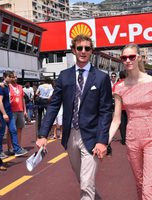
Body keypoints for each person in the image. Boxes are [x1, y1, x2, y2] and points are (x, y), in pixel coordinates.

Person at [36, 34, 113, 200]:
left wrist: (102, 140)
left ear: (91, 51)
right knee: (83, 179)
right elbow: (54, 106)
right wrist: (43, 135)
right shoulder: (64, 76)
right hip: (70, 135)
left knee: (86, 183)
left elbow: (106, 111)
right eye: (80, 48)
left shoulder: (101, 78)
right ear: (73, 50)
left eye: (87, 48)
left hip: (92, 136)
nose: (83, 51)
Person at [109, 43, 152, 200]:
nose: (128, 60)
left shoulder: (150, 81)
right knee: (140, 184)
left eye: (131, 57)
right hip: (132, 139)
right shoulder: (119, 88)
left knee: (148, 187)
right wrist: (104, 141)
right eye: (124, 57)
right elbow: (116, 119)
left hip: (151, 138)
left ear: (138, 57)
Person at [0, 71, 28, 159]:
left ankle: (17, 149)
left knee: (13, 130)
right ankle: (0, 151)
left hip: (10, 112)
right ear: (5, 77)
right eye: (10, 77)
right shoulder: (1, 87)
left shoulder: (7, 87)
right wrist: (4, 113)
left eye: (13, 77)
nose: (12, 78)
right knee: (1, 133)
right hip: (3, 113)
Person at [8, 72, 27, 148]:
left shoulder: (20, 86)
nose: (15, 78)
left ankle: (19, 146)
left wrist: (25, 110)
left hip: (20, 110)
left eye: (16, 77)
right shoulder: (8, 87)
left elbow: (22, 99)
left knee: (19, 129)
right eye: (13, 77)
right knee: (11, 130)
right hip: (11, 111)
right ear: (9, 78)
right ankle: (10, 147)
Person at [112, 70, 127, 145]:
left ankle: (124, 139)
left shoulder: (117, 84)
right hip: (129, 107)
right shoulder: (130, 83)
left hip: (120, 107)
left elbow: (113, 94)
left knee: (122, 124)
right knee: (129, 123)